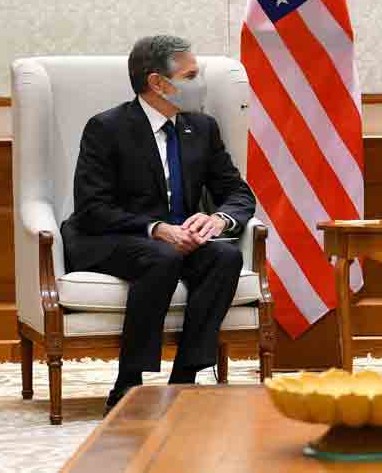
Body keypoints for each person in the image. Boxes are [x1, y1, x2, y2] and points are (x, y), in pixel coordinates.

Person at [61, 35, 256, 415]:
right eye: (191, 75)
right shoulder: (107, 127)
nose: (201, 84)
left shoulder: (202, 128)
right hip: (112, 236)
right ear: (157, 83)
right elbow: (93, 208)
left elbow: (237, 192)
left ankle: (185, 379)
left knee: (225, 258)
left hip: (179, 239)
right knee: (161, 257)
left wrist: (218, 219)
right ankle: (128, 382)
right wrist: (155, 228)